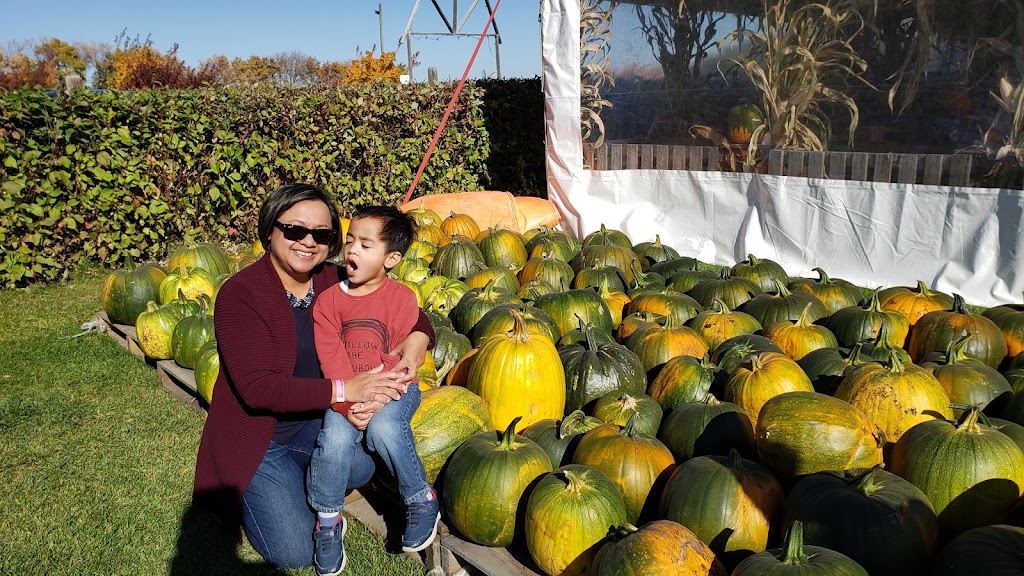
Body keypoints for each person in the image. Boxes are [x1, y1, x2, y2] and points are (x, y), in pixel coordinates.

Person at [192, 183, 434, 571]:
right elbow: (257, 389)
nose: (308, 242)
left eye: (321, 234)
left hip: (317, 424)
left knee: (365, 461)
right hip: (262, 439)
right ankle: (289, 488)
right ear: (270, 229)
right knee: (294, 552)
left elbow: (390, 295)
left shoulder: (331, 279)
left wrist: (421, 336)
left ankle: (316, 479)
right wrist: (345, 389)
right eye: (294, 230)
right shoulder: (241, 295)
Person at [309, 205, 438, 575]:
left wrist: (377, 398)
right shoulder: (329, 303)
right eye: (350, 241)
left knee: (384, 428)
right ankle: (329, 522)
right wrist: (349, 404)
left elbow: (399, 359)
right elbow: (331, 360)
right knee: (332, 439)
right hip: (346, 395)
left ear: (391, 258)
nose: (352, 250)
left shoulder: (402, 299)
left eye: (365, 245)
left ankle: (420, 497)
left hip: (395, 387)